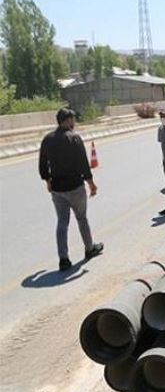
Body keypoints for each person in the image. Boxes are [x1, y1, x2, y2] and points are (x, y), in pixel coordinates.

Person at [38, 108, 104, 271]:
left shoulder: (48, 139)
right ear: (67, 121)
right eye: (73, 120)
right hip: (75, 187)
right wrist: (91, 184)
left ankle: (63, 259)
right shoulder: (74, 138)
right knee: (81, 218)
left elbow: (42, 164)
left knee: (62, 222)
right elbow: (83, 163)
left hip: (57, 189)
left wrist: (47, 180)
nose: (74, 123)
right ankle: (89, 249)